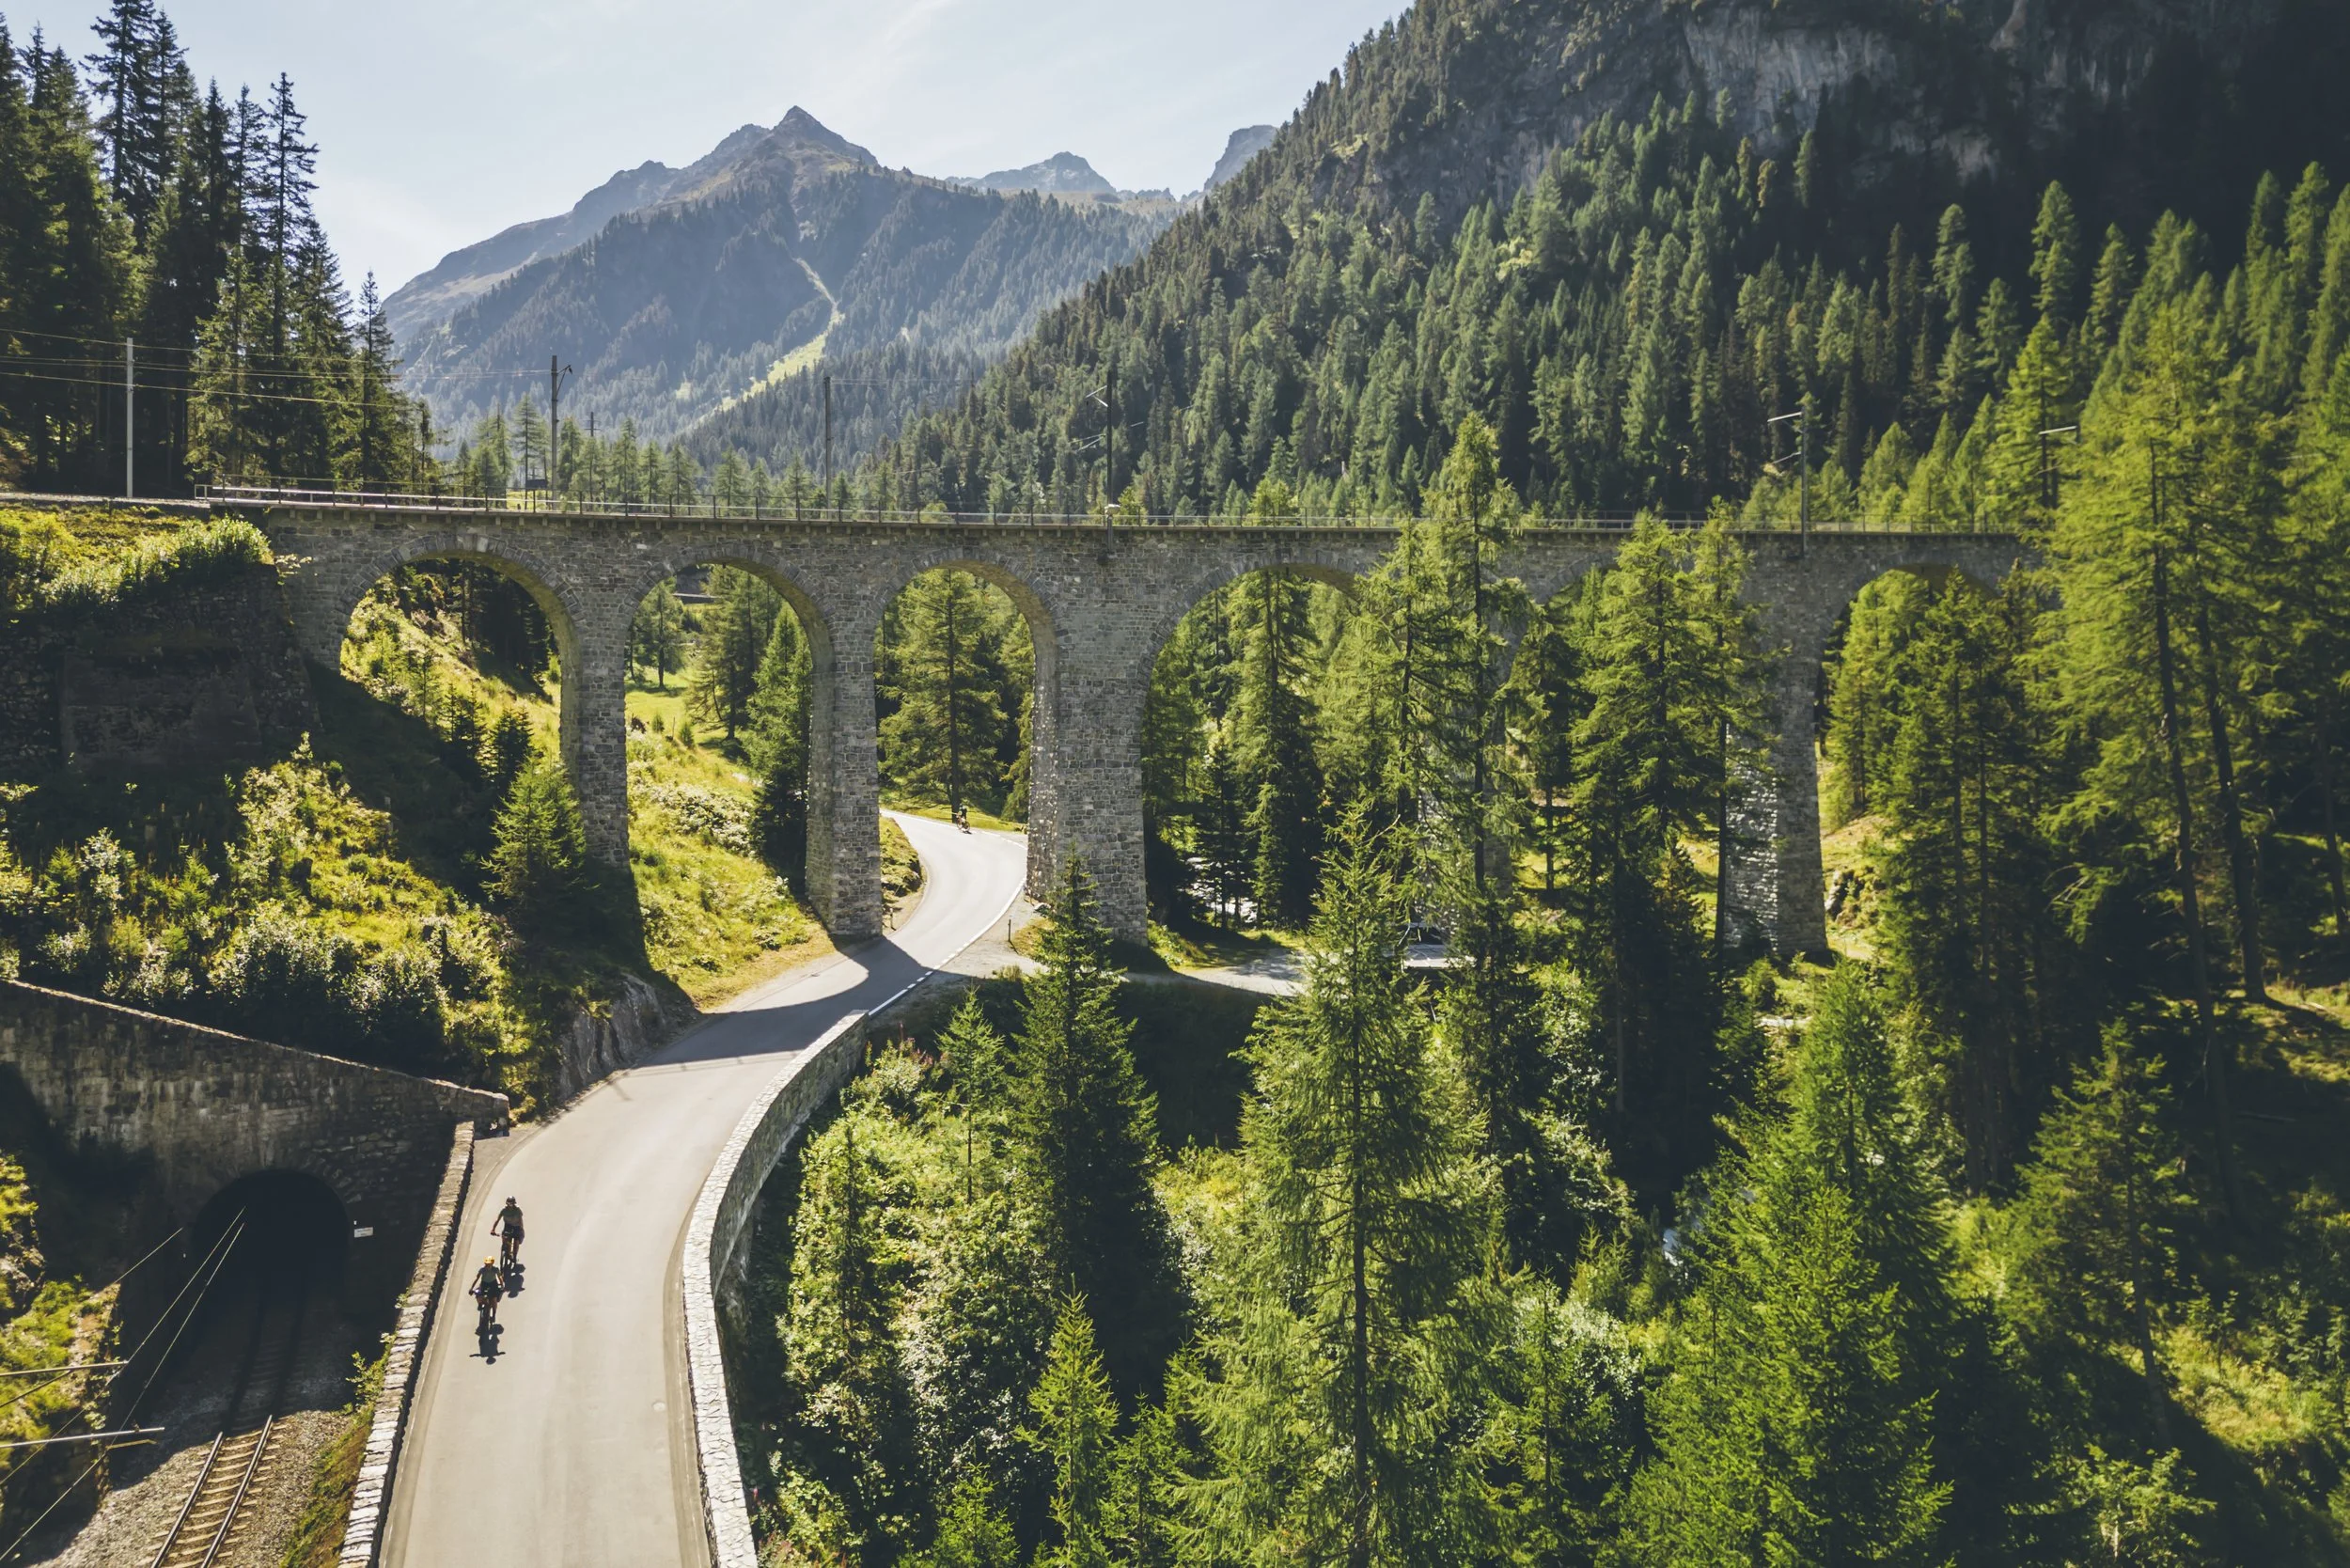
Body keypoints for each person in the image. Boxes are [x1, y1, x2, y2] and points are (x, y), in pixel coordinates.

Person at [469, 1254, 505, 1330]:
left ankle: (494, 1314)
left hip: (493, 1284)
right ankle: (480, 1304)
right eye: (486, 1264)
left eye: (489, 1264)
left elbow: (500, 1278)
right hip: (484, 1284)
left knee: (494, 1300)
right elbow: (477, 1278)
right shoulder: (482, 1270)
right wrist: (471, 1288)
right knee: (478, 1295)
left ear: (492, 1264)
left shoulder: (495, 1269)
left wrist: (502, 1286)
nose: (487, 1266)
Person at [493, 1197, 525, 1268]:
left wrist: (521, 1228)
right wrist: (493, 1229)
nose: (510, 1205)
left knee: (516, 1241)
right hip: (508, 1226)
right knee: (505, 1237)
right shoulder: (504, 1210)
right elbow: (497, 1219)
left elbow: (520, 1220)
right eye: (509, 1203)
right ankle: (506, 1249)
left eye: (512, 1203)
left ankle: (514, 1256)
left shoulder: (517, 1210)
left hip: (516, 1226)